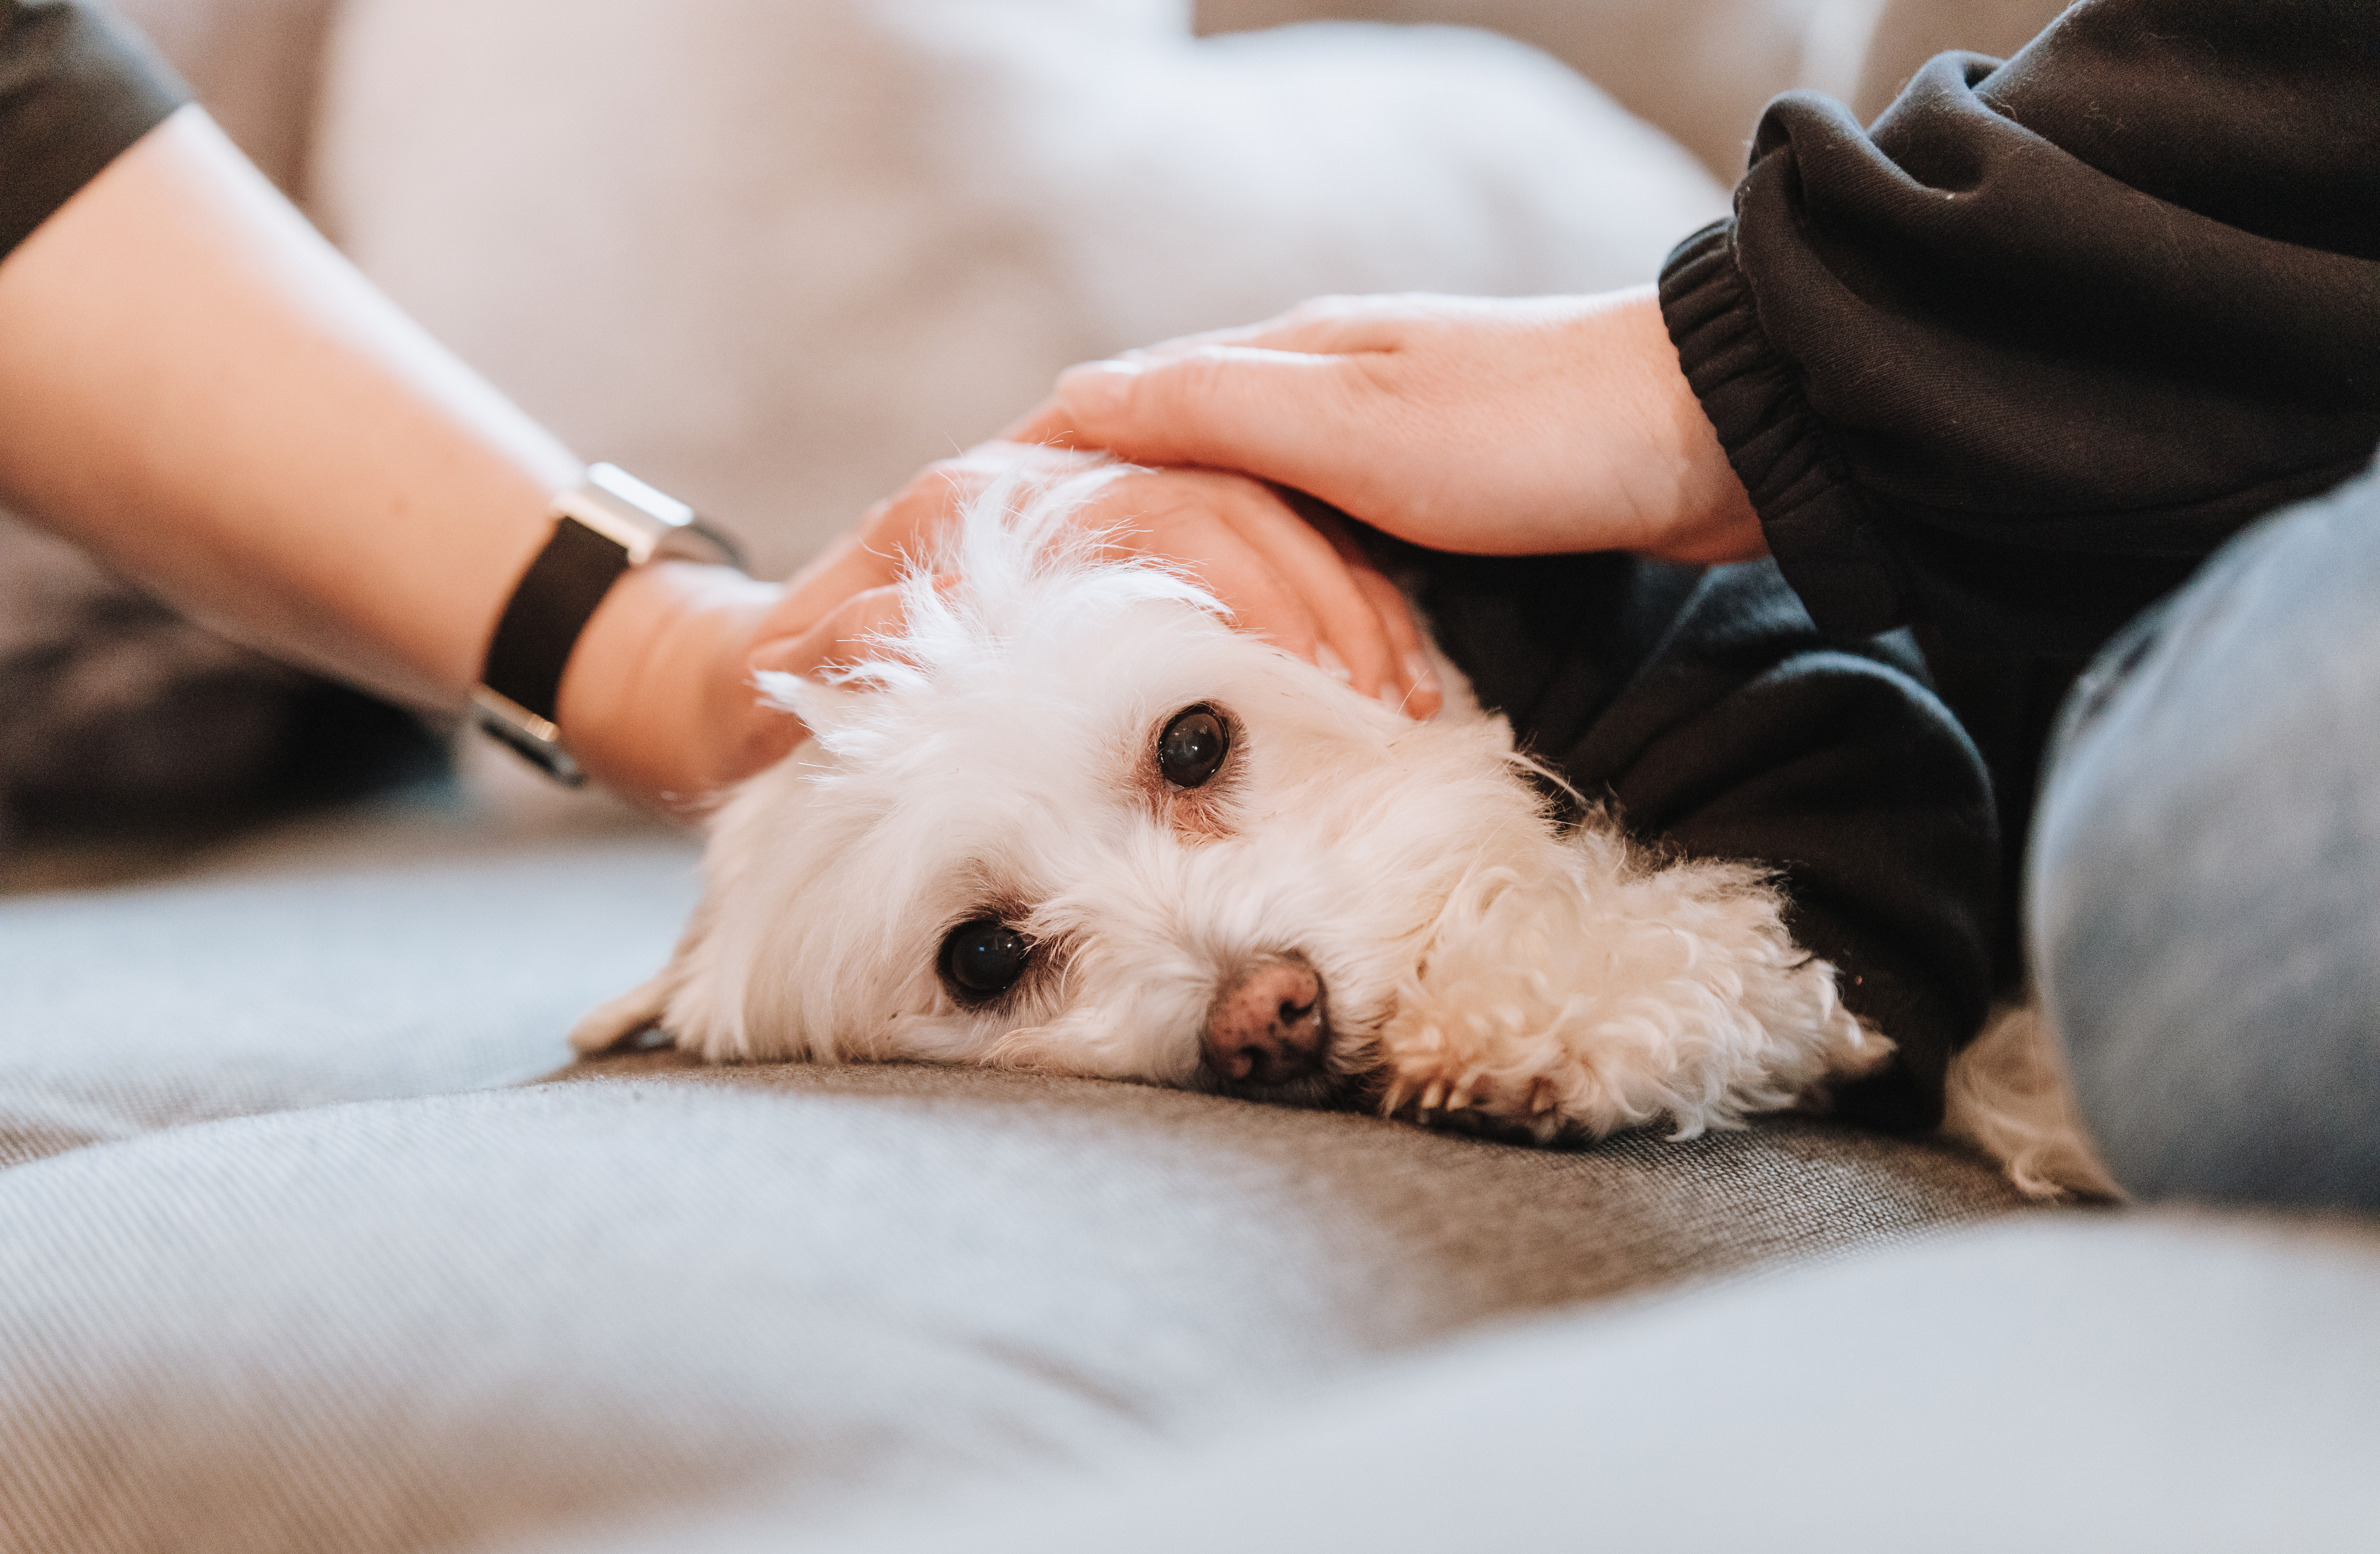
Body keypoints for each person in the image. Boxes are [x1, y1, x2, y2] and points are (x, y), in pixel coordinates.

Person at [5, 0, 2373, 1202]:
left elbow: (1882, 813)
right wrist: (657, 663)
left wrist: (1728, 377)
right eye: (988, 962)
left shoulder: (1578, 640)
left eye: (1201, 755)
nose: (1223, 983)